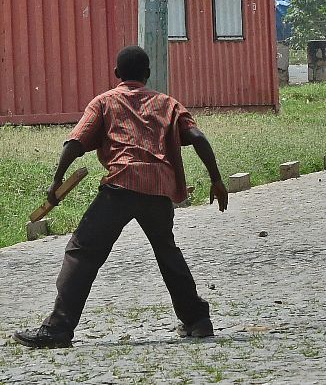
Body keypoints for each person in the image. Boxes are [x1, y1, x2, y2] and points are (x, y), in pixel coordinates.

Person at [13, 46, 229, 349]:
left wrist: (57, 180)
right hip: (157, 188)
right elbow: (197, 137)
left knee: (82, 251)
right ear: (148, 74)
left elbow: (75, 142)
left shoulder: (104, 102)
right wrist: (217, 180)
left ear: (117, 74)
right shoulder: (168, 104)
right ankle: (197, 320)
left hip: (121, 185)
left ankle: (58, 328)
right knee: (167, 252)